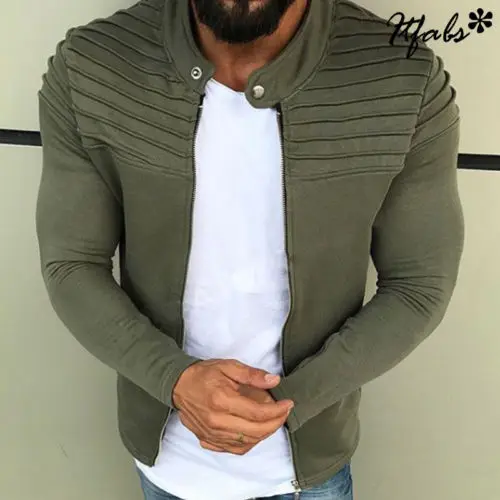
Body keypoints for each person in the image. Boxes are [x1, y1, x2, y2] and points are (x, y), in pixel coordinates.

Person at [35, 0, 465, 498]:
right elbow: (72, 264)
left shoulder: (404, 77)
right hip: (167, 464)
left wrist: (289, 403)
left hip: (311, 470)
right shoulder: (93, 66)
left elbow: (418, 285)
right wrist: (175, 380)